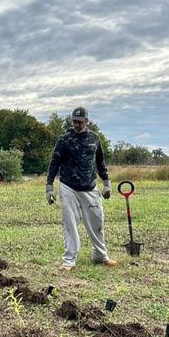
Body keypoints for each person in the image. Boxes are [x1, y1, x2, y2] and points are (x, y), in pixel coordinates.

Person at [46, 106, 115, 271]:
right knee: (70, 223)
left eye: (79, 122)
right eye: (74, 122)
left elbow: (100, 162)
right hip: (68, 186)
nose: (76, 125)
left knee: (97, 221)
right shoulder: (64, 140)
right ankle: (69, 261)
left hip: (90, 187)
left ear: (86, 121)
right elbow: (54, 163)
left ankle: (100, 256)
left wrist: (106, 183)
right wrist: (49, 187)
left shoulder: (95, 139)